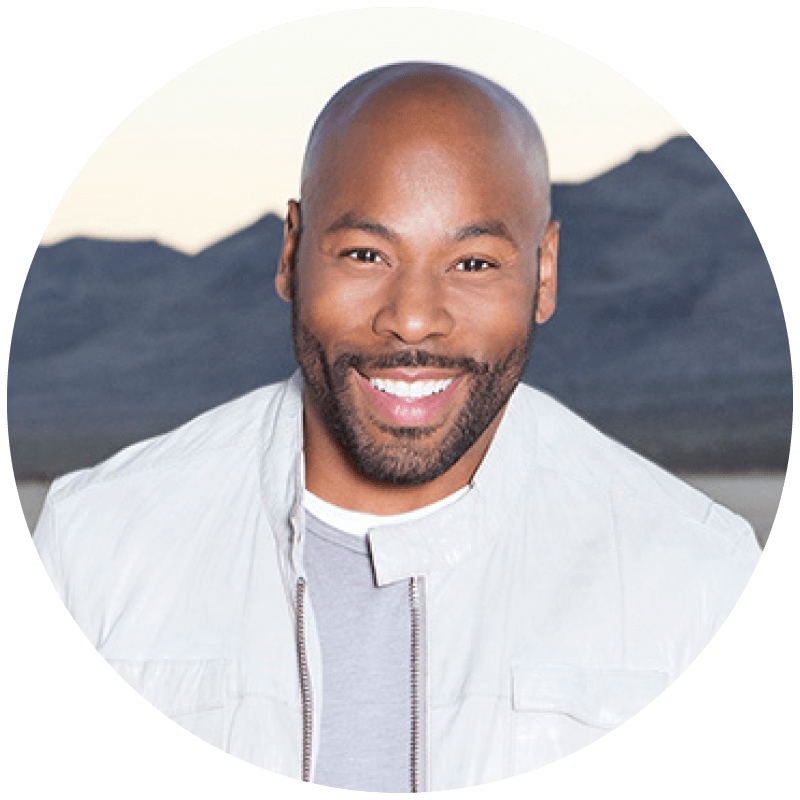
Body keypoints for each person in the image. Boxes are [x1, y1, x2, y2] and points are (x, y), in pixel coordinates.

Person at [33, 63, 761, 792]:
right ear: (291, 252)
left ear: (544, 275)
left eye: (473, 262)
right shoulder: (93, 547)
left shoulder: (696, 579)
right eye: (365, 254)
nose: (412, 317)